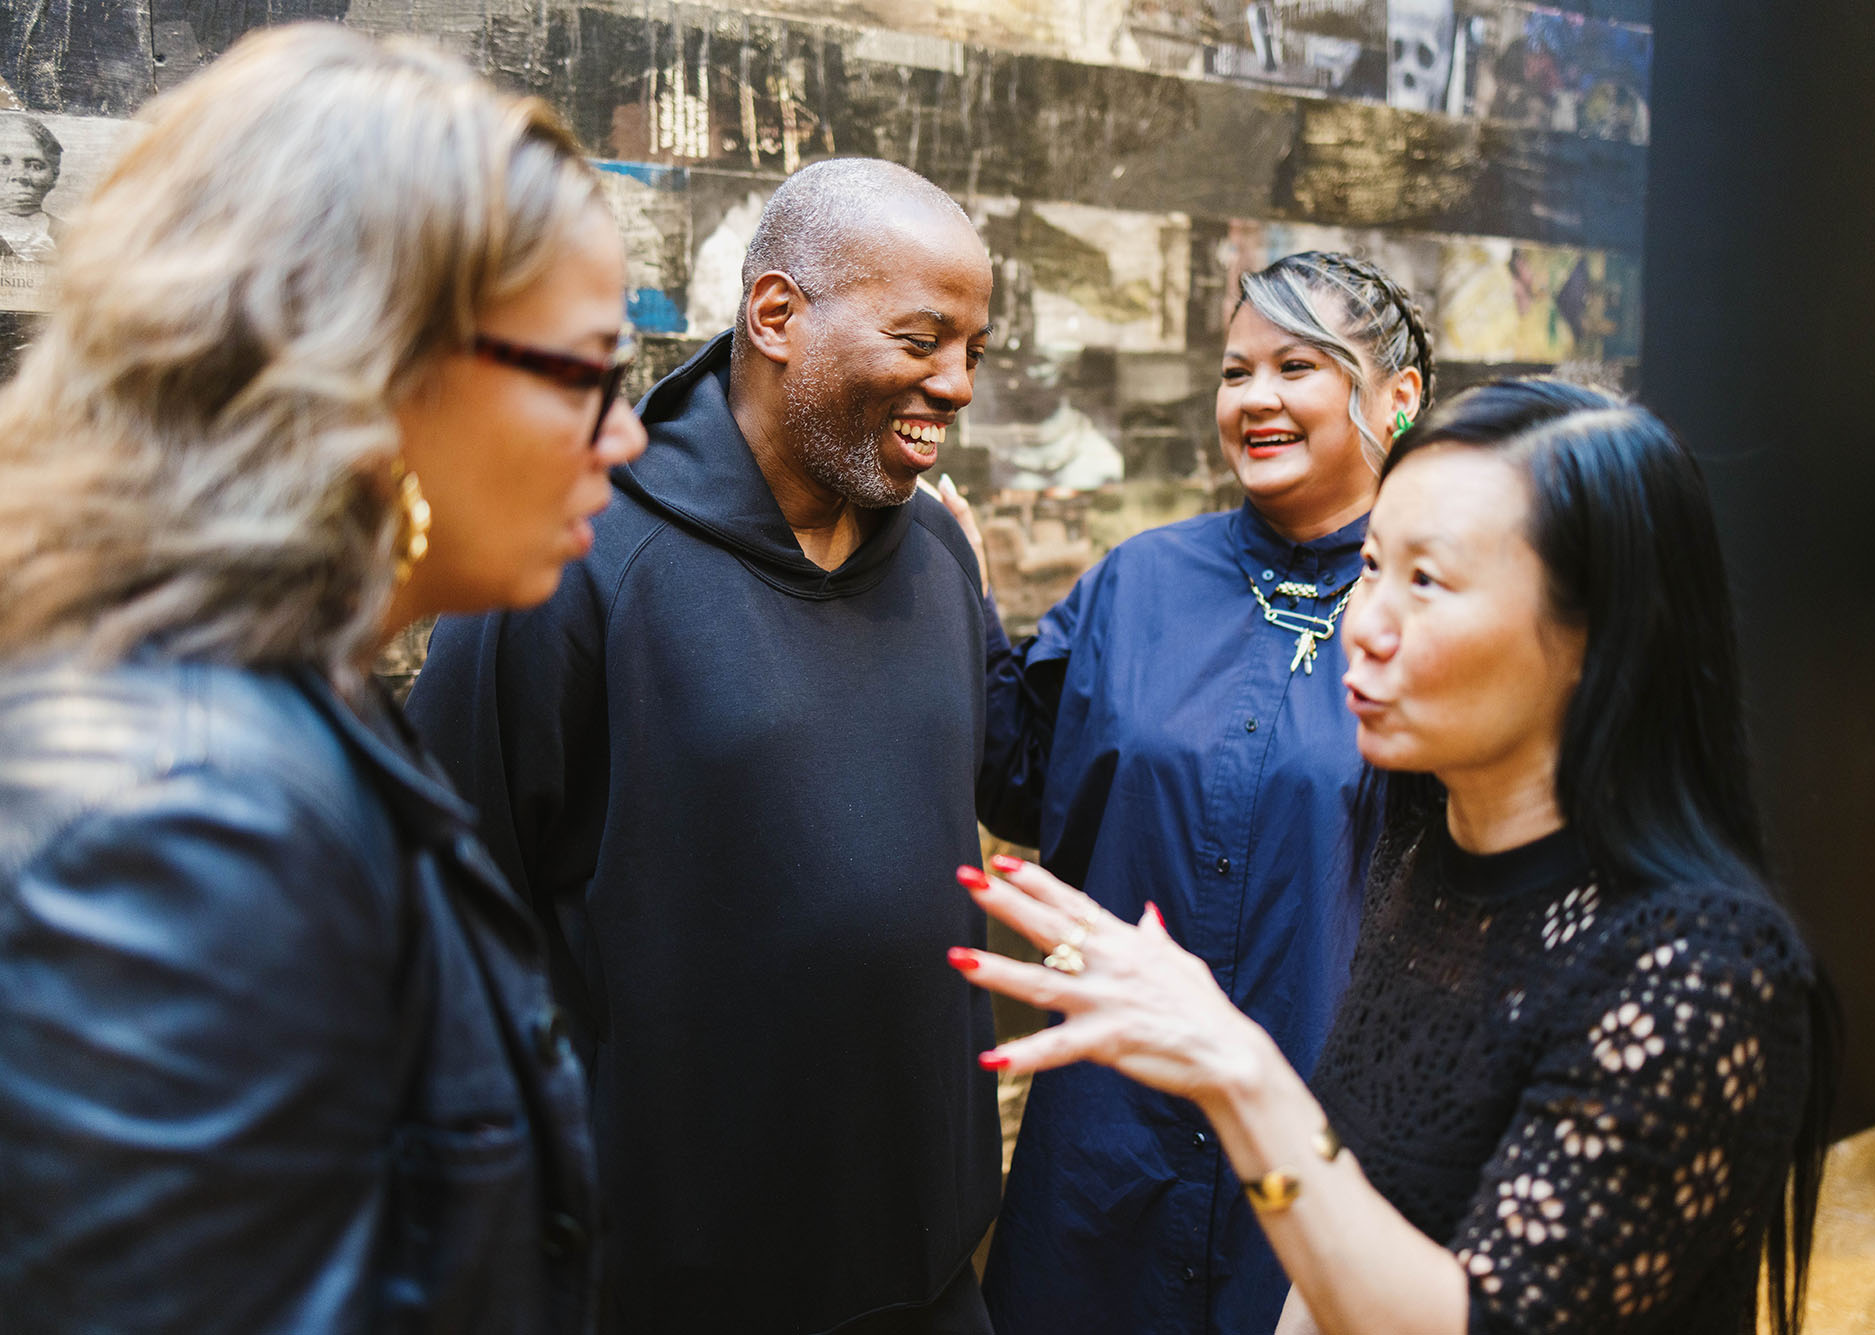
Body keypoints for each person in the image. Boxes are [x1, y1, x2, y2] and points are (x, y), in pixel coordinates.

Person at [948, 380, 1839, 1335]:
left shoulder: (1699, 971)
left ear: (1600, 635)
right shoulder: (1429, 863)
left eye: (1428, 581)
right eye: (1372, 567)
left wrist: (1235, 1067)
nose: (1363, 627)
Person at [0, 25, 646, 1332]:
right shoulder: (190, 822)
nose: (625, 437)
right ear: (371, 369)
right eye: (591, 373)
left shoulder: (285, 705)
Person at [407, 158, 1000, 1334]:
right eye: (921, 340)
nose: (957, 385)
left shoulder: (939, 556)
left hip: (926, 1263)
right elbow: (444, 917)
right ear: (776, 317)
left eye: (974, 351)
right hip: (672, 1281)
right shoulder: (573, 557)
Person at [967, 251, 1432, 1335]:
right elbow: (1031, 789)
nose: (1256, 399)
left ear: (1393, 399)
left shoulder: (1432, 614)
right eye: (1235, 372)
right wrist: (962, 605)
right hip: (1108, 1143)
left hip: (1318, 1144)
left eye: (1297, 366)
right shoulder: (1138, 581)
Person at [0, 111, 62, 262]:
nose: (19, 176)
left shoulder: (73, 237)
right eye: (3, 162)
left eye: (35, 166)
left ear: (54, 176)